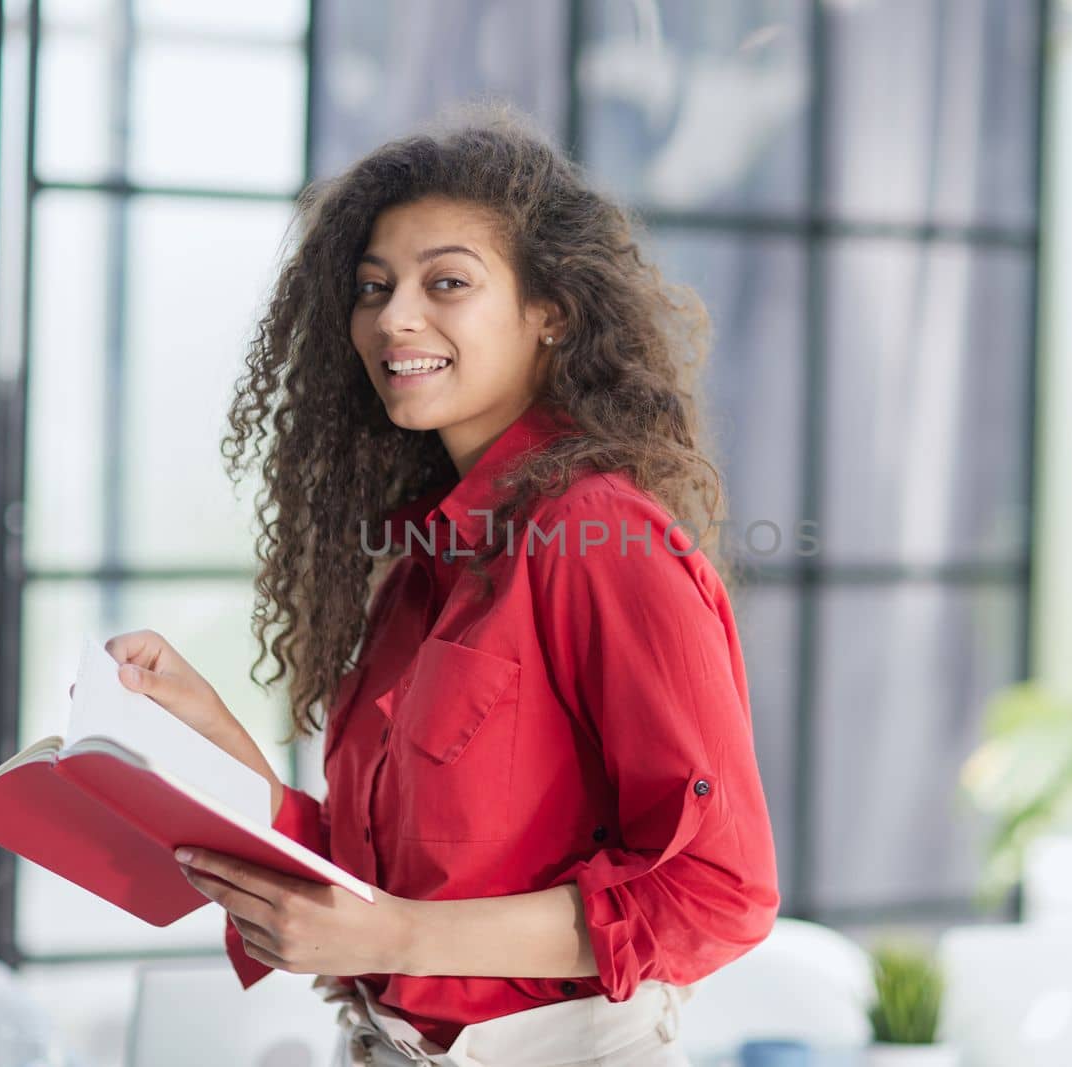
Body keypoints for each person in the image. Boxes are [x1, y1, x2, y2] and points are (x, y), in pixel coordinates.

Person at [97, 102, 780, 1066]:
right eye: (373, 287)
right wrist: (212, 735)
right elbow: (387, 879)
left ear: (552, 311)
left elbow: (718, 891)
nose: (393, 317)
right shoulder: (424, 563)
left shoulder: (602, 539)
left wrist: (397, 940)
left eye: (446, 281)